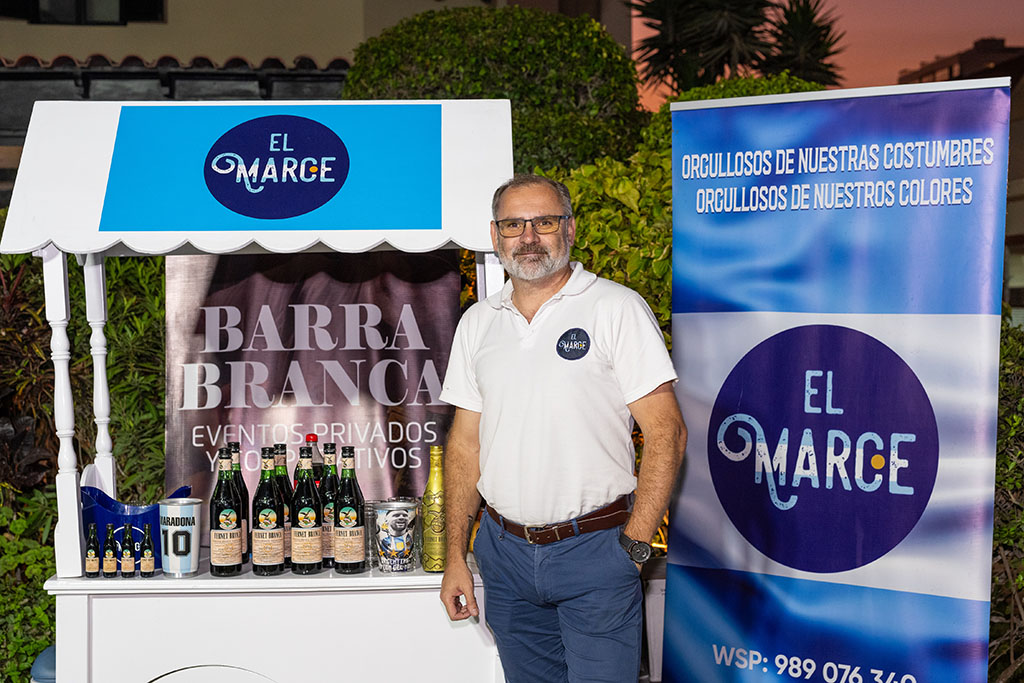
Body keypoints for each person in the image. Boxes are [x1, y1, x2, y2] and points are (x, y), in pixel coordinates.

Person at [439, 174, 687, 682]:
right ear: (495, 235)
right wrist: (455, 557)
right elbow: (464, 447)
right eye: (514, 225)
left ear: (569, 229)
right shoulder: (478, 322)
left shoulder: (616, 308)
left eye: (544, 222)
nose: (528, 237)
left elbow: (667, 433)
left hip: (597, 553)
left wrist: (635, 547)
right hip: (504, 556)